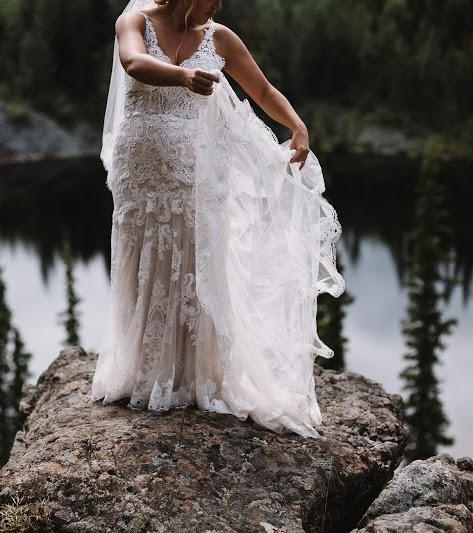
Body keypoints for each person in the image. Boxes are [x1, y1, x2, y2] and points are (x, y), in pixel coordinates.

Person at [91, 0, 346, 438]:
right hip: (142, 172)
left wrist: (297, 126)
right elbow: (133, 62)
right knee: (143, 260)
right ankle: (144, 369)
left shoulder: (220, 37)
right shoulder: (134, 20)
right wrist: (183, 76)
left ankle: (196, 375)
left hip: (199, 173)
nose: (220, 3)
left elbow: (262, 89)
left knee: (197, 263)